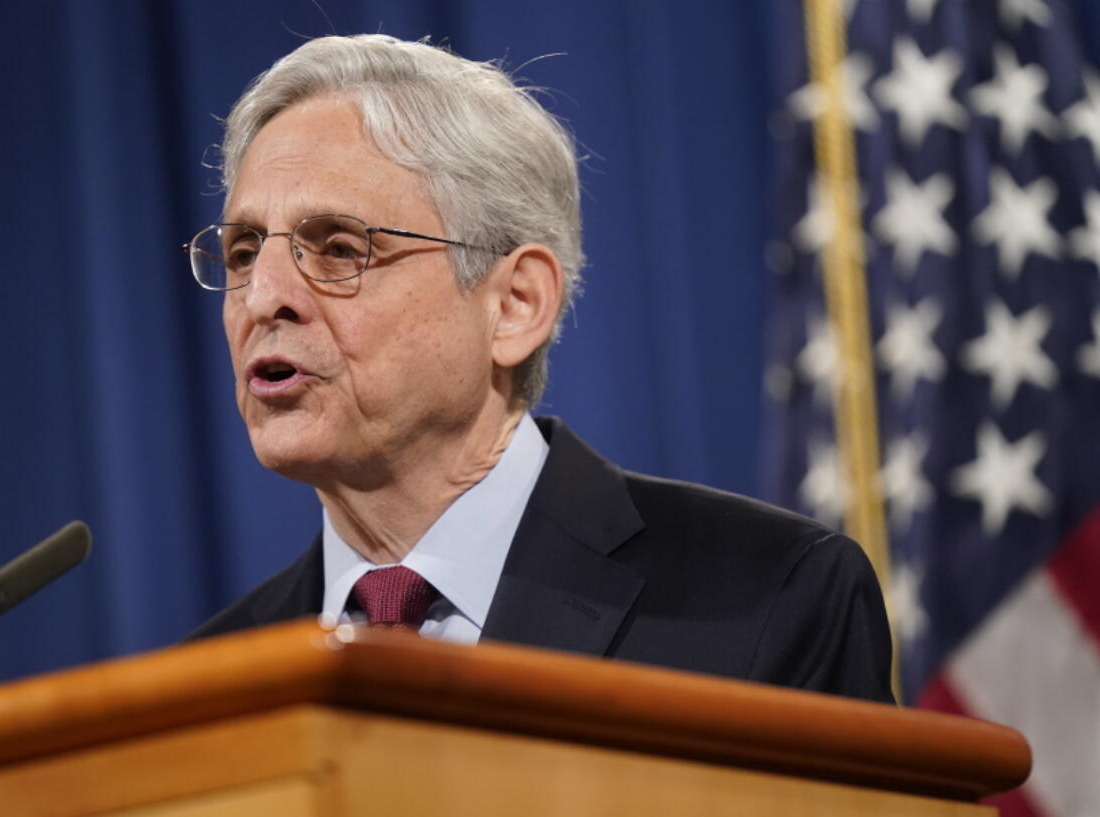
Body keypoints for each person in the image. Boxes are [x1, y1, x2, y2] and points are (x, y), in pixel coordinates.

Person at [186, 34, 894, 704]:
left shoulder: (770, 600)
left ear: (516, 305)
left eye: (338, 247)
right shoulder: (210, 685)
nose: (264, 296)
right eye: (245, 251)